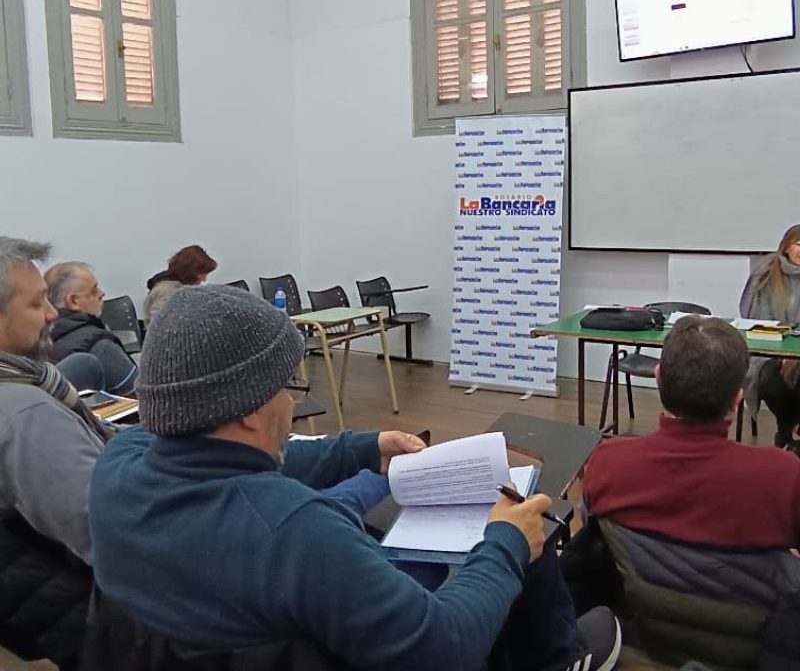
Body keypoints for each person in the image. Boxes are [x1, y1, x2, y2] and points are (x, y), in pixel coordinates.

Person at [89, 285, 620, 671]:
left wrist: (365, 451)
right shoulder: (295, 532)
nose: (291, 401)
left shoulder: (118, 462)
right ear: (249, 411)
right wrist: (504, 543)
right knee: (522, 539)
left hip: (229, 628)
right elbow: (443, 648)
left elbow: (261, 469)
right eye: (287, 387)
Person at [581, 316, 800, 666]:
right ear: (738, 398)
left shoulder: (607, 463)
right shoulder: (784, 476)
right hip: (756, 651)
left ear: (657, 378)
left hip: (649, 640)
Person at [0, 237, 114, 669]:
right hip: (91, 624)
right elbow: (112, 537)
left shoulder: (30, 392)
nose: (52, 314)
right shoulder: (24, 413)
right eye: (36, 304)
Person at [740, 224, 800, 447]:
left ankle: (793, 434)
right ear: (786, 247)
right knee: (769, 382)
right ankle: (788, 428)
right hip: (768, 352)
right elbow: (758, 320)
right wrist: (781, 354)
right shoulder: (766, 273)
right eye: (799, 244)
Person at [45, 261, 138, 395]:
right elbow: (142, 397)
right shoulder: (100, 347)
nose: (102, 293)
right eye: (94, 290)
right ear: (73, 301)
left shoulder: (37, 343)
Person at [143, 244, 217, 327]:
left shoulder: (169, 286)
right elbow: (160, 327)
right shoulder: (168, 291)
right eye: (202, 274)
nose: (204, 279)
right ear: (190, 272)